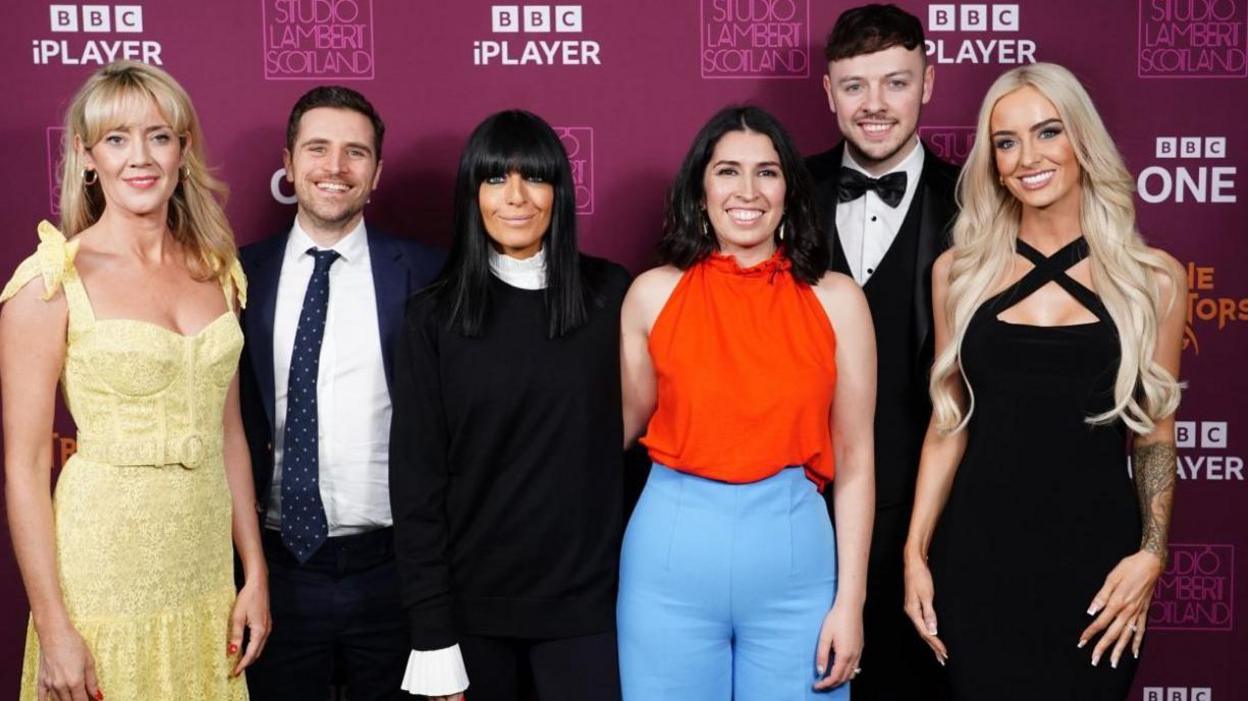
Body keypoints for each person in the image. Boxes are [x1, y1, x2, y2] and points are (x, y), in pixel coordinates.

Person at [902, 63, 1185, 700]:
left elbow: (1155, 439)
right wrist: (915, 554)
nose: (1028, 157)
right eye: (1006, 142)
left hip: (1097, 571)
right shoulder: (958, 274)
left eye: (1047, 132)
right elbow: (948, 426)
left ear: (1081, 141)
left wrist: (1151, 554)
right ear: (994, 163)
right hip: (975, 561)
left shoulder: (1154, 281)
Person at [0, 60, 268, 701]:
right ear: (86, 156)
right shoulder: (50, 282)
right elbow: (25, 466)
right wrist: (55, 626)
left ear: (183, 150)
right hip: (102, 576)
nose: (139, 158)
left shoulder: (217, 270)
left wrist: (253, 572)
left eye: (158, 136)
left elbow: (229, 435)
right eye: (116, 139)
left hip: (204, 572)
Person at [618, 105, 875, 700]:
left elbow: (856, 461)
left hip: (797, 565)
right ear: (700, 188)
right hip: (668, 562)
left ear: (790, 188)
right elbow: (615, 430)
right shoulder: (652, 295)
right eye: (728, 171)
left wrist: (852, 602)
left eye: (767, 172)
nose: (748, 190)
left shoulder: (838, 301)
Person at [390, 109, 629, 701]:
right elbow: (416, 486)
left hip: (588, 614)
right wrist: (432, 638)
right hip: (473, 619)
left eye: (535, 179)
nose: (516, 198)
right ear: (473, 194)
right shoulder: (433, 316)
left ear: (560, 192)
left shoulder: (612, 296)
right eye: (496, 179)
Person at [237, 86, 442, 700]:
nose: (335, 167)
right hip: (272, 572)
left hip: (394, 571)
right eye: (318, 148)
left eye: (355, 152)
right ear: (290, 162)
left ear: (376, 172)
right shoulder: (235, 275)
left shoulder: (430, 274)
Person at [805, 5, 959, 698]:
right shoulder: (772, 193)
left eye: (895, 83)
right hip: (796, 519)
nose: (874, 106)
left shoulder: (981, 202)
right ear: (828, 91)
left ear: (927, 83)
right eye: (855, 85)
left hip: (939, 529)